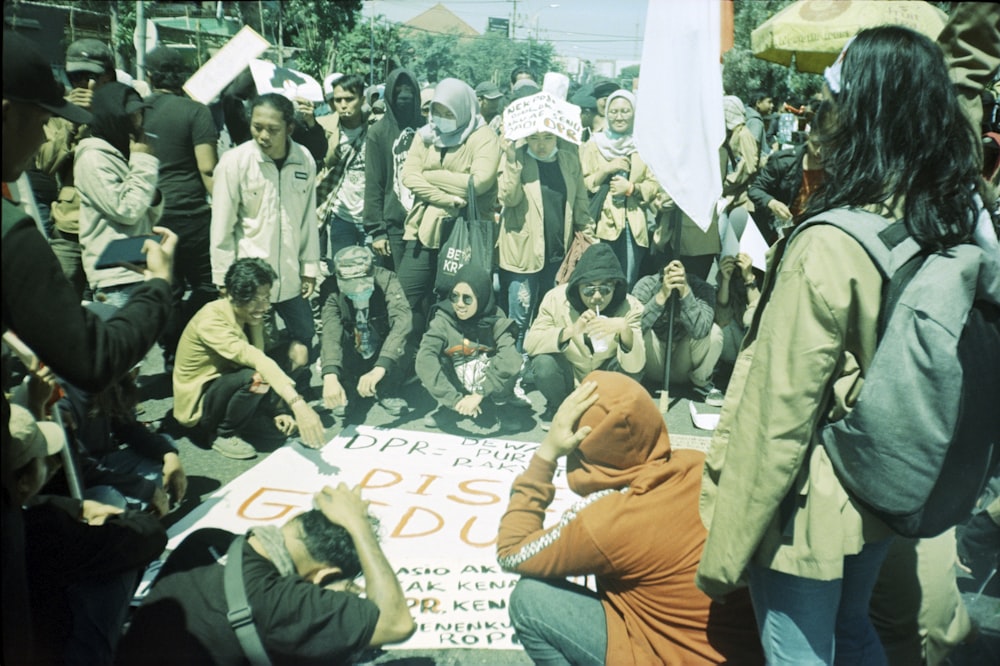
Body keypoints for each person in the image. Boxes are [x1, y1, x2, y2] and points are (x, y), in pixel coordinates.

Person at [697, 26, 993, 665]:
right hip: (882, 483)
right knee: (855, 630)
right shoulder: (940, 217)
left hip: (810, 504)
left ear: (860, 115)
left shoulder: (829, 243)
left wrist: (725, 554)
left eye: (830, 98)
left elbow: (776, 415)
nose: (817, 114)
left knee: (799, 651)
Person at [3, 31, 176, 664]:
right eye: (41, 120)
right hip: (120, 280)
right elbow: (92, 357)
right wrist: (159, 289)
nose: (47, 136)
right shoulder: (23, 225)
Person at [497, 372, 763, 665]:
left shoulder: (606, 521)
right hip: (747, 652)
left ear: (581, 447)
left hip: (677, 658)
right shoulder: (696, 465)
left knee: (530, 600)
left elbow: (511, 551)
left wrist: (547, 453)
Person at [116, 484, 417, 665]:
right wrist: (357, 524)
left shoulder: (208, 541)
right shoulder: (278, 604)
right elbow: (397, 623)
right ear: (323, 575)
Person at [12, 402, 166, 666]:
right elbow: (148, 536)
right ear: (25, 481)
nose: (51, 462)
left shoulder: (20, 514)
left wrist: (76, 505)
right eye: (42, 457)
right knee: (120, 556)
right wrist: (119, 518)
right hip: (48, 648)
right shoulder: (44, 528)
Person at [173, 258, 326, 459]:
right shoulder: (211, 320)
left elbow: (265, 356)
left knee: (298, 351)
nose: (264, 306)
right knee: (258, 378)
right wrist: (297, 404)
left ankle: (258, 415)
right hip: (204, 403)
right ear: (233, 295)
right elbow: (257, 360)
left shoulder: (251, 313)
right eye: (256, 299)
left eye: (266, 297)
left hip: (234, 380)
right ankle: (224, 432)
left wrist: (279, 409)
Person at [211, 93, 321, 353]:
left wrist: (310, 268)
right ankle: (268, 391)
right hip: (253, 278)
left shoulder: (304, 160)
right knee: (261, 345)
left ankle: (295, 384)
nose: (263, 136)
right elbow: (221, 227)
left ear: (289, 128)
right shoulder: (234, 162)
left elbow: (308, 219)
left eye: (273, 130)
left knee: (305, 334)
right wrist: (223, 278)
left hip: (292, 274)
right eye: (257, 127)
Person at [398, 78, 501, 334]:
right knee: (404, 298)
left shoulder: (483, 137)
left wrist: (430, 175)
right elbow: (409, 176)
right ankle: (411, 356)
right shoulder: (426, 135)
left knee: (457, 303)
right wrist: (447, 198)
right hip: (423, 230)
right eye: (437, 111)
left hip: (463, 233)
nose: (441, 118)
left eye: (449, 112)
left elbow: (478, 183)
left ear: (464, 108)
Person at [143, 46, 220, 367]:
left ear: (149, 76)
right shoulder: (196, 111)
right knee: (208, 284)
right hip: (192, 215)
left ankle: (172, 353)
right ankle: (191, 342)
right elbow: (207, 169)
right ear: (185, 76)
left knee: (166, 289)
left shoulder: (136, 111)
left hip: (149, 214)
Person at [524, 243, 644, 429]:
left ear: (615, 287)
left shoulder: (631, 306)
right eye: (588, 290)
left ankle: (606, 410)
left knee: (630, 373)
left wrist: (624, 329)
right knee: (542, 363)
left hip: (605, 377)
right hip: (568, 376)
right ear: (577, 287)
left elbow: (637, 366)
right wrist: (570, 331)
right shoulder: (555, 299)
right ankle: (558, 406)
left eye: (605, 290)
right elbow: (530, 344)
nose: (597, 297)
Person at [34, 37, 118, 298]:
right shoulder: (59, 113)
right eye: (76, 77)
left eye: (90, 76)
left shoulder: (126, 107)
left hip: (114, 228)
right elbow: (44, 162)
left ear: (108, 77)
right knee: (60, 301)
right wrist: (72, 122)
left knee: (115, 305)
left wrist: (100, 115)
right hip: (71, 225)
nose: (82, 84)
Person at [498, 130, 595, 353]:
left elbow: (581, 206)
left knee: (551, 318)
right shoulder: (518, 156)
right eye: (534, 138)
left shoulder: (569, 160)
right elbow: (508, 198)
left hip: (560, 254)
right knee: (519, 319)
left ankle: (540, 366)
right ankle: (515, 368)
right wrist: (511, 159)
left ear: (558, 137)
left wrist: (591, 240)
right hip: (523, 253)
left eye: (548, 138)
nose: (541, 145)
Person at [76, 81, 163, 307]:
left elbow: (146, 212)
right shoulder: (93, 157)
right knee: (123, 341)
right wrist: (143, 162)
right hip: (115, 277)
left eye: (139, 114)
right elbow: (128, 211)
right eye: (130, 115)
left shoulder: (125, 152)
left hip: (139, 266)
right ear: (111, 117)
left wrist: (153, 197)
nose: (137, 122)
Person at [416, 264, 526, 431]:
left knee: (506, 359)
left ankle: (501, 405)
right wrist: (453, 400)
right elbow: (424, 358)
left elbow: (512, 359)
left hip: (487, 387)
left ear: (481, 297)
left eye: (467, 298)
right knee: (435, 356)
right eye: (455, 296)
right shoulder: (443, 318)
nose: (459, 304)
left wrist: (479, 393)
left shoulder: (496, 318)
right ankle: (451, 407)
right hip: (456, 385)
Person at [320, 246, 414, 421]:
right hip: (353, 345)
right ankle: (347, 388)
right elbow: (330, 332)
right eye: (349, 285)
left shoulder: (386, 279)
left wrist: (381, 367)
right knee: (337, 342)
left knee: (405, 341)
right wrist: (330, 374)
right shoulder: (330, 288)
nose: (357, 291)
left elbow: (402, 320)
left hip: (381, 344)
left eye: (362, 284)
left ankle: (387, 388)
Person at [580, 90, 659, 288]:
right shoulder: (594, 144)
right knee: (601, 279)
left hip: (633, 226)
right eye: (614, 111)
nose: (619, 116)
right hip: (601, 225)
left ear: (634, 113)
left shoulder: (644, 145)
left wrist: (631, 188)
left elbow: (654, 185)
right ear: (606, 113)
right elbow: (582, 183)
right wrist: (607, 169)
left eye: (625, 111)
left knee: (628, 280)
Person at [632, 260, 725, 406]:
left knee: (715, 333)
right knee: (636, 327)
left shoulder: (702, 288)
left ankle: (701, 384)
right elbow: (634, 327)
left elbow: (701, 331)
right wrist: (661, 296)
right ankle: (632, 380)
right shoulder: (646, 285)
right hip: (653, 360)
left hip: (686, 361)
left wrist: (686, 292)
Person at [364, 67, 424, 271]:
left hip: (427, 225)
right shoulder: (378, 133)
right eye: (398, 89)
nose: (404, 95)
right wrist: (377, 231)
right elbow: (374, 183)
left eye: (409, 89)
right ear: (390, 92)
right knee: (398, 291)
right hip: (394, 229)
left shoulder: (428, 130)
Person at [748, 101, 830, 244]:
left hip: (817, 236)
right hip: (784, 234)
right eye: (816, 144)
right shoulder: (784, 161)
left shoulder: (836, 167)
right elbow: (755, 189)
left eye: (827, 146)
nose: (819, 152)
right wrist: (771, 203)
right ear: (808, 136)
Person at [315, 73, 370, 265]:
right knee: (344, 272)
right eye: (338, 100)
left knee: (371, 274)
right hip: (341, 216)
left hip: (370, 218)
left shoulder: (375, 127)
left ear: (362, 100)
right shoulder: (324, 129)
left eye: (349, 99)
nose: (343, 104)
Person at [714, 252, 761, 364]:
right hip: (731, 352)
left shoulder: (763, 273)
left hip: (756, 350)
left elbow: (759, 314)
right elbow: (722, 319)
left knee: (751, 315)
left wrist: (749, 277)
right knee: (722, 326)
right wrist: (725, 279)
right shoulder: (723, 280)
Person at [744, 90, 774, 160]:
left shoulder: (748, 116)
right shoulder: (756, 122)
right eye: (769, 102)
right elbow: (753, 149)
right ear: (758, 103)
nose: (772, 105)